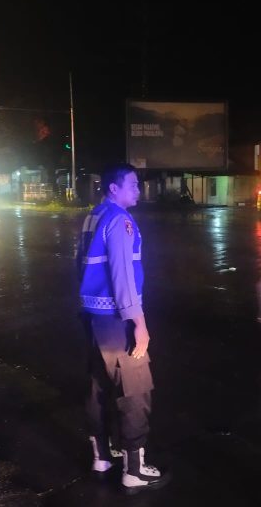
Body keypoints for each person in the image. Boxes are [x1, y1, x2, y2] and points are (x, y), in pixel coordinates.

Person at [76, 163, 170, 495]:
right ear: (114, 188)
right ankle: (134, 470)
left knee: (99, 386)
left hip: (93, 317)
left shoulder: (93, 216)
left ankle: (102, 456)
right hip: (117, 320)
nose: (138, 190)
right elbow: (123, 275)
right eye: (132, 184)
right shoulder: (119, 219)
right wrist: (138, 322)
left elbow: (80, 266)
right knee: (135, 390)